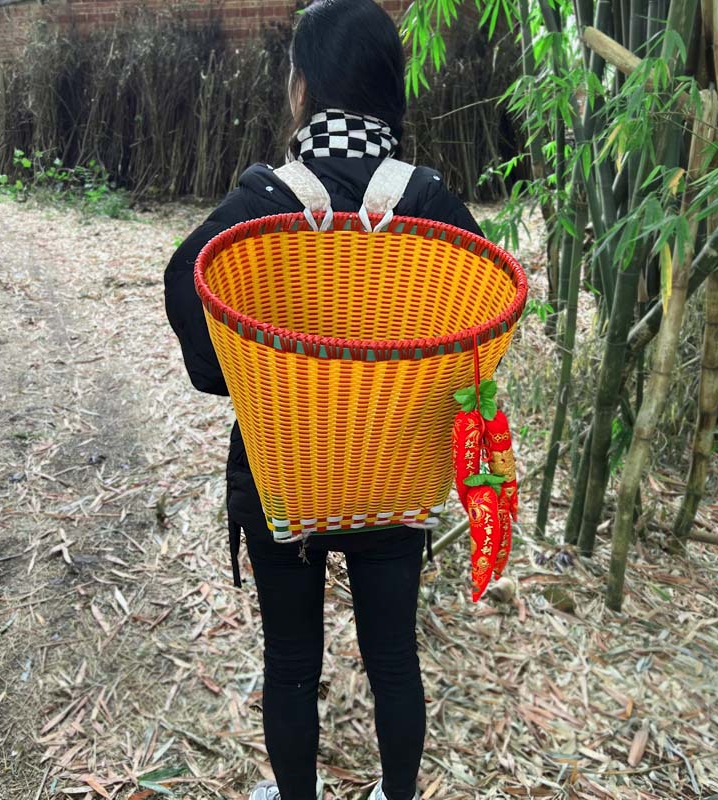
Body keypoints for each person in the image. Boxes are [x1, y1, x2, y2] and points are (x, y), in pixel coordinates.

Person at [164, 2, 485, 798]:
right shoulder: (432, 206)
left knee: (291, 664)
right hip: (396, 480)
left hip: (284, 478)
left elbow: (187, 292)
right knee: (395, 661)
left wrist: (245, 376)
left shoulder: (262, 204)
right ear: (390, 90)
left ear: (302, 87)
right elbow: (487, 321)